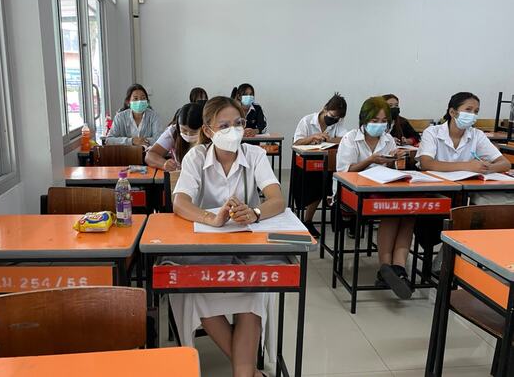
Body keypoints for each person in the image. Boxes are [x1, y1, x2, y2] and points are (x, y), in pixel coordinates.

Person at [171, 96, 285, 377]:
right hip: (206, 246)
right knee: (196, 293)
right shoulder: (196, 157)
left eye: (238, 123)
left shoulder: (254, 155)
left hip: (247, 244)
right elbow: (180, 202)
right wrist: (212, 218)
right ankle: (250, 372)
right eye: (224, 125)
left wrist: (255, 212)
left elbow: (277, 200)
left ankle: (244, 373)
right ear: (208, 131)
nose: (233, 130)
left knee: (254, 293)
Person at [414, 92, 512, 276]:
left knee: (482, 211)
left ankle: (452, 259)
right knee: (460, 213)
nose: (473, 115)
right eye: (468, 110)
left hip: (466, 191)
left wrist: (487, 168)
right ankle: (447, 259)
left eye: (476, 111)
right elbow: (427, 163)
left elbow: (505, 163)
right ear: (453, 112)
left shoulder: (476, 135)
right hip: (436, 191)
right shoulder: (432, 132)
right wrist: (467, 165)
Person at [336, 96, 413, 299]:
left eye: (384, 121)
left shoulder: (388, 139)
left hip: (383, 188)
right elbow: (343, 172)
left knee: (409, 210)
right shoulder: (350, 138)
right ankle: (386, 266)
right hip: (352, 191)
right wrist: (370, 160)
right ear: (364, 119)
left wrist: (395, 160)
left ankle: (398, 268)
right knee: (393, 210)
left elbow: (389, 170)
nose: (379, 125)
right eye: (374, 120)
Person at [293, 92, 348, 236]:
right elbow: (296, 143)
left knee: (338, 179)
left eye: (337, 118)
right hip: (306, 163)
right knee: (319, 182)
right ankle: (307, 220)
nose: (334, 120)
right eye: (332, 116)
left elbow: (345, 139)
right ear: (324, 108)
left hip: (327, 162)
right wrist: (312, 138)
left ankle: (340, 215)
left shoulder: (337, 123)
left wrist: (328, 139)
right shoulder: (307, 121)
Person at [145, 103, 203, 171]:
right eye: (184, 130)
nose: (188, 134)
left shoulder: (209, 133)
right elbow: (150, 156)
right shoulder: (173, 131)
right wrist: (164, 164)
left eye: (194, 132)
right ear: (178, 126)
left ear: (204, 128)